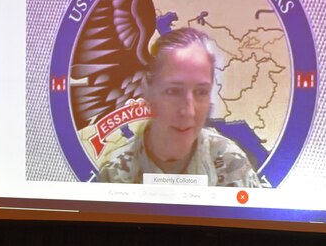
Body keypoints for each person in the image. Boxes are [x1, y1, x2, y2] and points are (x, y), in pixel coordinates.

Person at [99, 27, 261, 187]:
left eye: (201, 92)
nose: (188, 111)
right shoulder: (115, 173)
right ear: (148, 92)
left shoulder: (233, 165)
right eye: (173, 91)